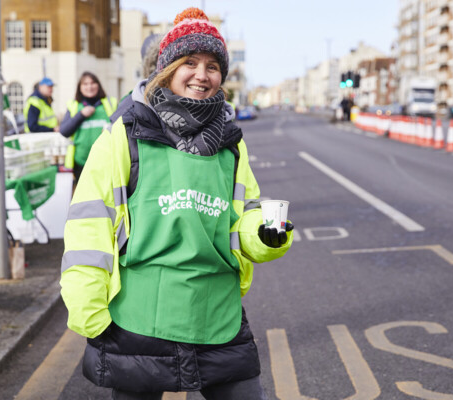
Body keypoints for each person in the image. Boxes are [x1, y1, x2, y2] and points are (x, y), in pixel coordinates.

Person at [60, 7, 294, 400]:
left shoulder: (231, 142)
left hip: (216, 315)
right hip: (140, 317)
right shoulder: (126, 133)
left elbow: (243, 216)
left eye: (212, 65)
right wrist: (88, 308)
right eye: (190, 62)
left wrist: (266, 235)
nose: (202, 75)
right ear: (166, 69)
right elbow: (90, 224)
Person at [59, 72, 118, 182]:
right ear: (80, 88)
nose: (89, 87)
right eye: (85, 84)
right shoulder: (74, 105)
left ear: (98, 85)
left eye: (92, 83)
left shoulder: (111, 103)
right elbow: (64, 131)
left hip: (106, 161)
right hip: (80, 163)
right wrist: (81, 115)